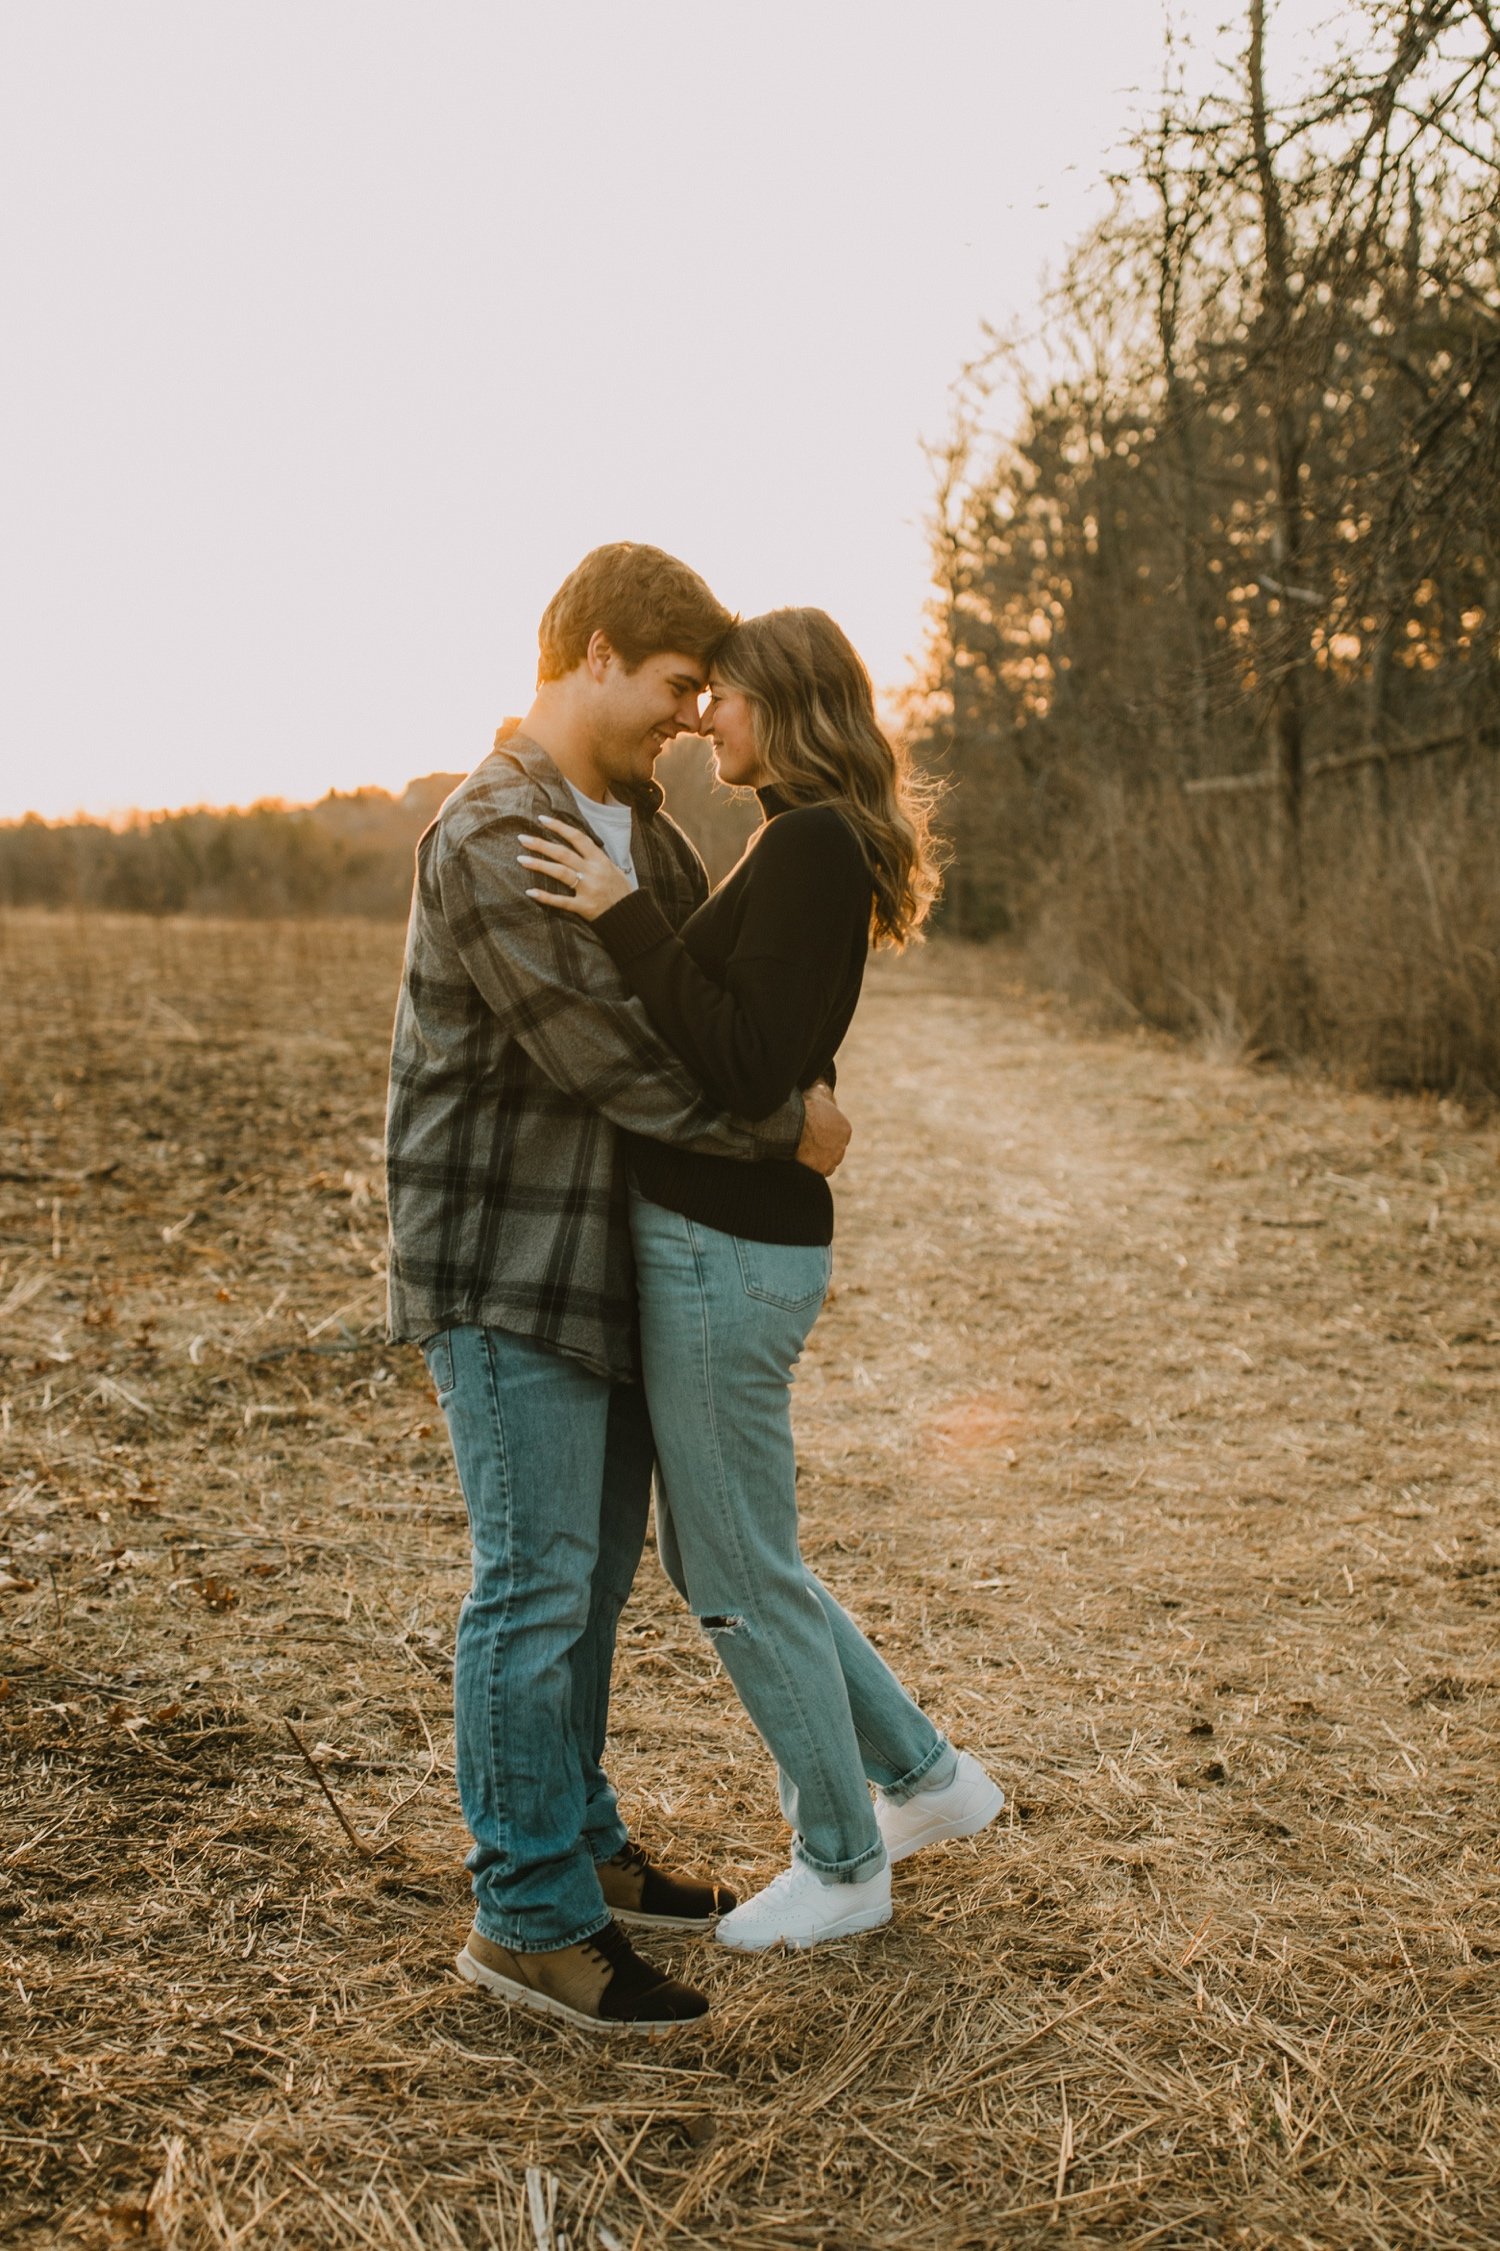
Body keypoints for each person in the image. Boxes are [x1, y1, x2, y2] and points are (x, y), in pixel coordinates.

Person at [385, 547, 852, 2033]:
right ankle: (525, 1917)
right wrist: (784, 1131)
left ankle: (581, 1844)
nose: (685, 725)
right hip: (506, 1262)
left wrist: (790, 1073)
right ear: (593, 653)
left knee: (582, 1588)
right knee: (530, 1589)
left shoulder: (643, 829)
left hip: (619, 1259)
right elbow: (614, 1056)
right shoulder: (490, 835)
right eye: (669, 694)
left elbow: (724, 1016)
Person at [518, 606, 1005, 1952]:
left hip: (729, 1250)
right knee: (744, 1552)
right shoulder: (804, 841)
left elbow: (740, 1061)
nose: (701, 721)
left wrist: (622, 919)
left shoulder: (803, 841)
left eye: (720, 698)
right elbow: (781, 1047)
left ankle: (842, 1864)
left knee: (734, 1564)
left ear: (781, 702)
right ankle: (926, 1781)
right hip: (738, 1240)